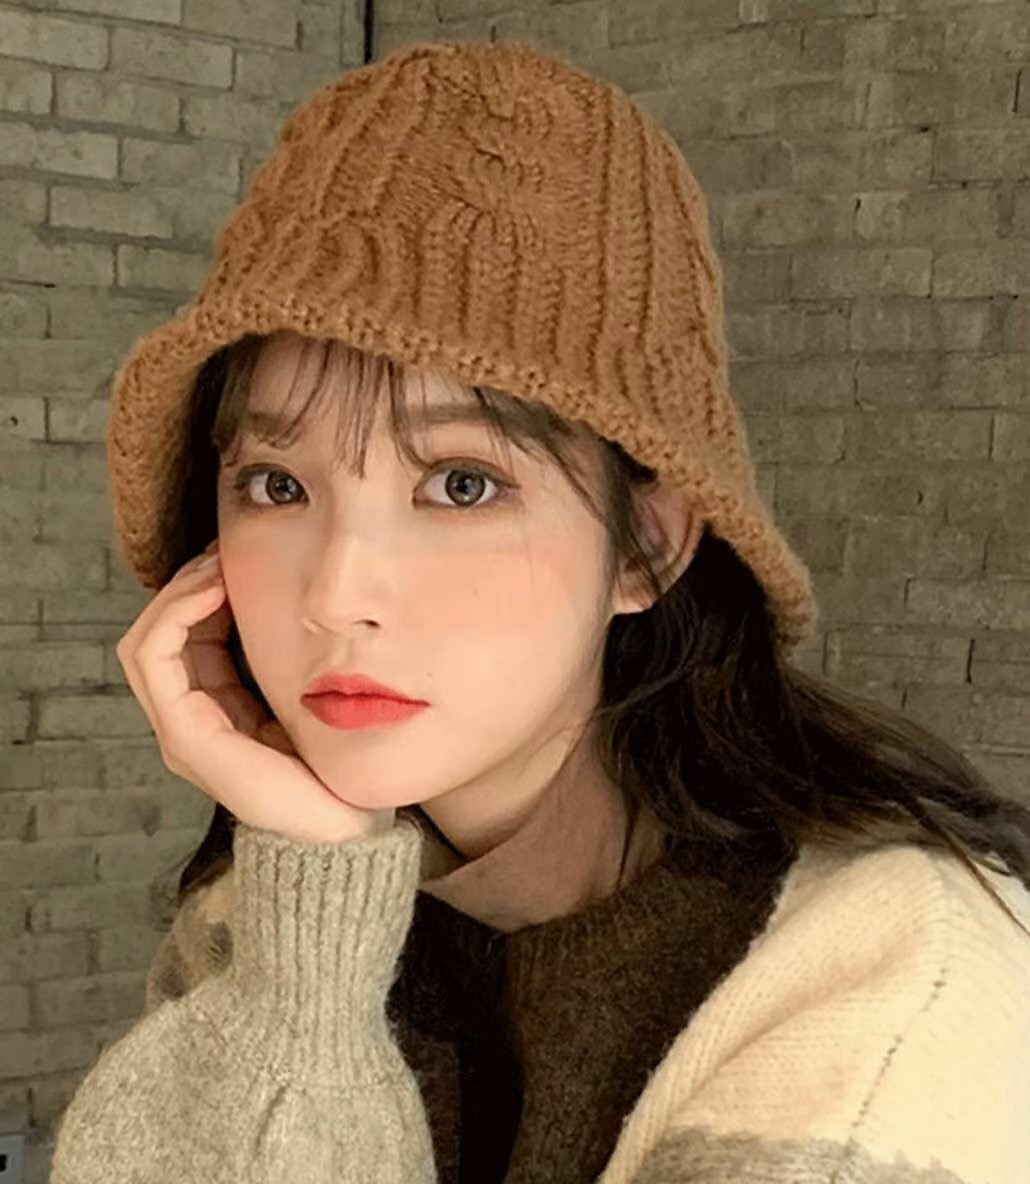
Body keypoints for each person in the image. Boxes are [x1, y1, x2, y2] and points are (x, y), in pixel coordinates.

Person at [50, 37, 1030, 1184]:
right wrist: (309, 936)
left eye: (462, 484)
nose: (337, 594)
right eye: (276, 484)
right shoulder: (275, 897)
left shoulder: (886, 976)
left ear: (645, 545)